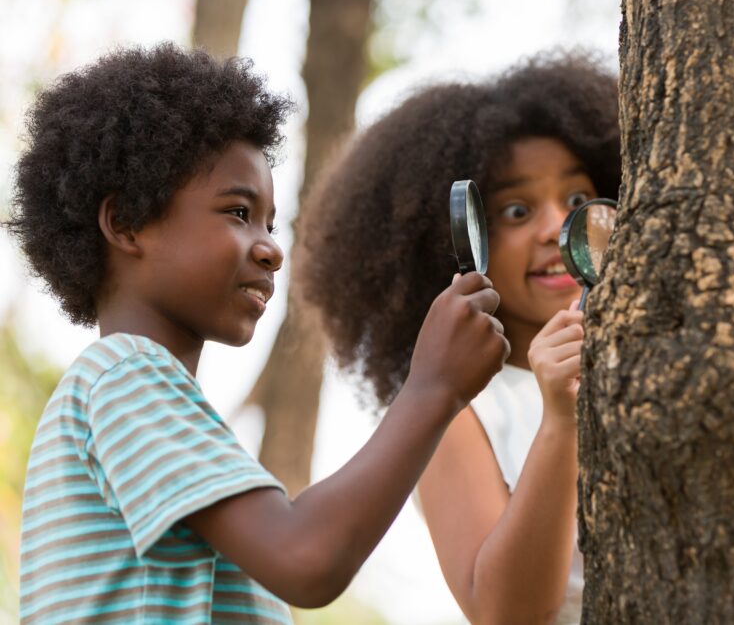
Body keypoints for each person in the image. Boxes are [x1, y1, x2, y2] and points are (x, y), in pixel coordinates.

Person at [5, 43, 508, 624]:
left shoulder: (124, 394)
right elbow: (304, 555)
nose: (271, 248)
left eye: (270, 222)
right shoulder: (125, 377)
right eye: (238, 213)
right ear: (126, 223)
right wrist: (431, 390)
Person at [298, 53, 621, 624]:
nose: (556, 227)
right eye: (517, 211)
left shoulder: (652, 364)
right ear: (454, 246)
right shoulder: (458, 413)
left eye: (576, 200)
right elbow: (503, 613)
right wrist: (561, 419)